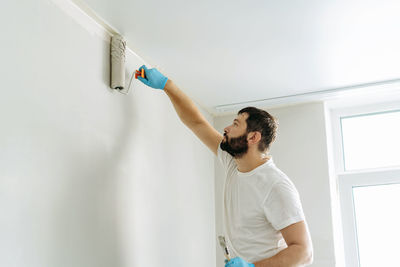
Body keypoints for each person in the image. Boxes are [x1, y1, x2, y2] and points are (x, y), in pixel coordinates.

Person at [137, 65, 313, 267]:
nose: (226, 128)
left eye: (236, 124)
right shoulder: (233, 163)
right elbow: (197, 123)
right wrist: (166, 85)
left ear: (253, 137)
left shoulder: (275, 185)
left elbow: (303, 252)